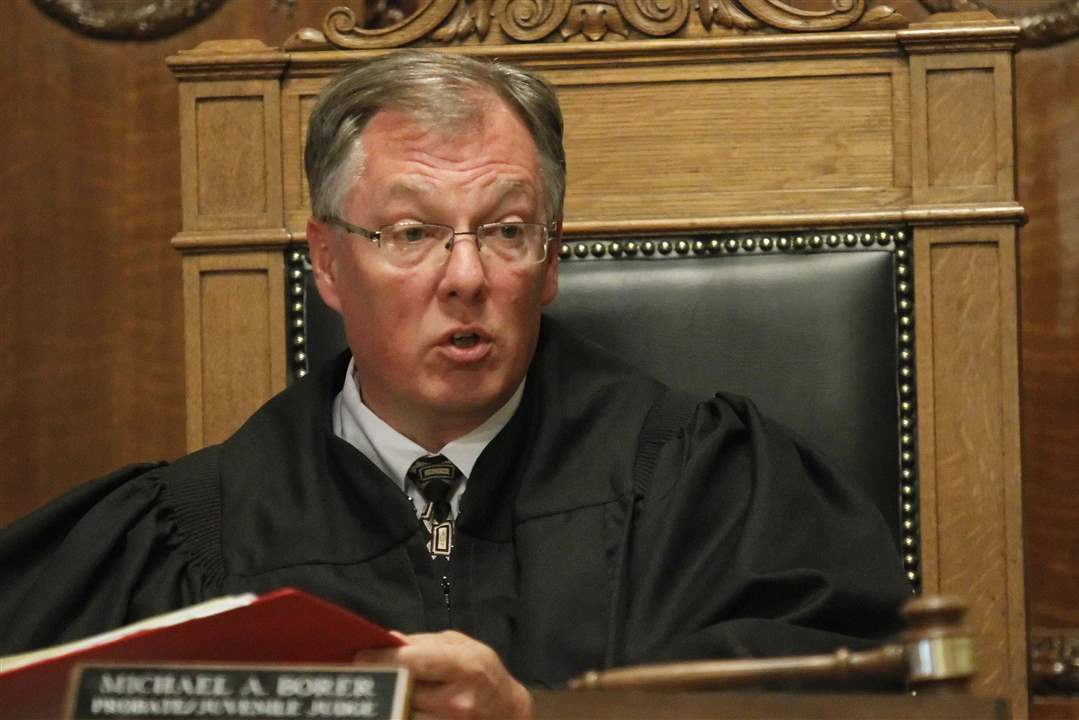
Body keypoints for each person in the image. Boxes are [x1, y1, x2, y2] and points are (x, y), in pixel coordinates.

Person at [0, 51, 911, 720]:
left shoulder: (704, 489)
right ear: (327, 262)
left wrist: (537, 717)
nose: (466, 276)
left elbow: (853, 696)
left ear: (550, 259)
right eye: (411, 233)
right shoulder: (192, 533)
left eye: (506, 230)